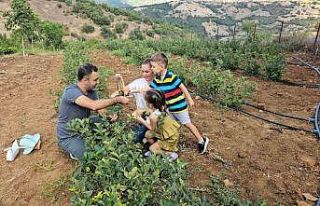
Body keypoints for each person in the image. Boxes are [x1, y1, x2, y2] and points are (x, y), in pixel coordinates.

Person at [56, 63, 129, 160]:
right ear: (85, 80)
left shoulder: (92, 91)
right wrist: (117, 100)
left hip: (83, 126)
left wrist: (109, 116)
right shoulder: (71, 91)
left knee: (106, 121)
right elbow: (93, 105)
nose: (98, 82)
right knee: (93, 156)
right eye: (95, 80)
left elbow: (100, 109)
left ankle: (87, 140)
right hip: (69, 135)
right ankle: (72, 150)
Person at [149, 52, 209, 154]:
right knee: (173, 125)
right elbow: (150, 89)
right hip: (170, 108)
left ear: (162, 66)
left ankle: (201, 140)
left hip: (179, 107)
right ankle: (173, 142)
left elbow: (183, 87)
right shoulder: (157, 79)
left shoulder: (171, 76)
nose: (152, 69)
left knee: (187, 124)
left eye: (153, 66)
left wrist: (189, 99)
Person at [133, 89, 180, 161]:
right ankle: (157, 147)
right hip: (170, 132)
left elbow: (152, 129)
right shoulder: (162, 107)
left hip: (169, 137)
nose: (145, 103)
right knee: (147, 134)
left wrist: (141, 120)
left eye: (146, 101)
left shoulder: (153, 117)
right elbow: (148, 111)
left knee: (151, 148)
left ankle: (169, 153)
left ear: (151, 104)